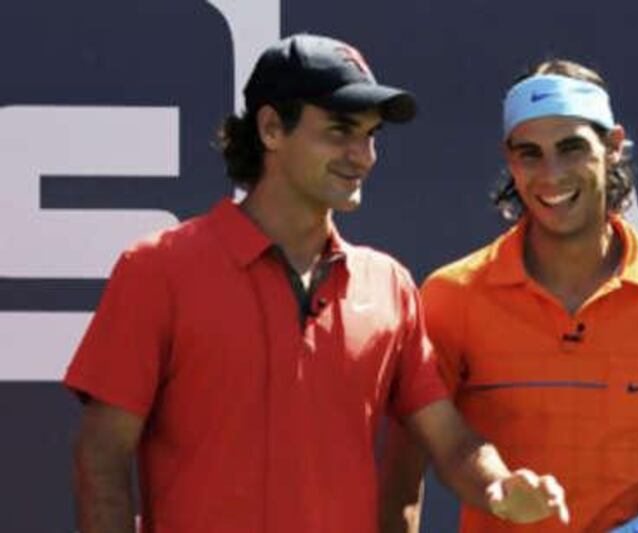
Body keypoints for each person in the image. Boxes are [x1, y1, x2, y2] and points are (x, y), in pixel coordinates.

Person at [63, 34, 569, 533]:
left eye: (370, 135)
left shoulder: (388, 285)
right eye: (340, 131)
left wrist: (498, 487)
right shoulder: (158, 269)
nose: (362, 155)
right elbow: (102, 460)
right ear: (270, 129)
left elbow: (450, 441)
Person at [382, 59, 638, 532]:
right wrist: (496, 488)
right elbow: (404, 473)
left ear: (613, 146)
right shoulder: (450, 296)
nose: (551, 174)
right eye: (530, 153)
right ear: (509, 158)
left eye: (572, 147)